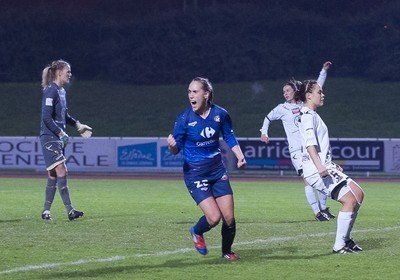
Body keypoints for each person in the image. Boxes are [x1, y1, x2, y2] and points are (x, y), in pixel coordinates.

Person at [167, 77, 247, 261]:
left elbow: (229, 136)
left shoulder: (221, 114)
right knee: (213, 218)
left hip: (218, 172)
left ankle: (227, 252)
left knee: (229, 218)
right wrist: (171, 145)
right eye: (189, 92)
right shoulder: (184, 119)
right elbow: (175, 149)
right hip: (195, 174)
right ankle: (196, 231)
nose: (190, 95)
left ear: (206, 94)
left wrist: (239, 155)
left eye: (194, 91)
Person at [260, 61, 335, 221]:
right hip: (297, 151)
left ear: (295, 90)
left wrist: (323, 71)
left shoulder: (303, 104)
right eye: (283, 92)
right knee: (308, 180)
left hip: (311, 149)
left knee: (323, 177)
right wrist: (264, 132)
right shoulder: (282, 108)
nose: (285, 93)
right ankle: (317, 213)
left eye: (287, 90)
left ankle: (323, 209)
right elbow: (267, 118)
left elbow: (317, 87)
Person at [297, 79, 365, 253]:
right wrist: (320, 167)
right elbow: (310, 145)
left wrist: (331, 164)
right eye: (319, 92)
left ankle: (346, 240)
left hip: (325, 165)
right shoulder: (306, 116)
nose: (322, 94)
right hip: (315, 170)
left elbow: (319, 146)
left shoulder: (313, 115)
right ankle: (339, 245)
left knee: (358, 194)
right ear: (308, 95)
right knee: (349, 200)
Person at [39, 59, 92, 221]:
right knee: (62, 169)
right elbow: (46, 118)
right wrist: (61, 134)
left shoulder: (62, 92)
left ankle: (46, 211)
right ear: (59, 72)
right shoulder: (50, 91)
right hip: (49, 137)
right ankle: (70, 211)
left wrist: (77, 125)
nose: (70, 74)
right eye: (68, 71)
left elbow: (64, 116)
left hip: (58, 138)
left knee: (53, 174)